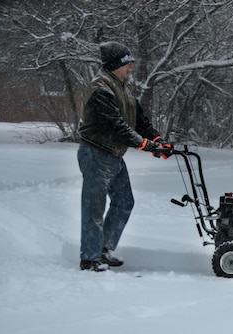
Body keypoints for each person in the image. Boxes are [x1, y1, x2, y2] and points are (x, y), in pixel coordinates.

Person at [77, 41, 171, 272]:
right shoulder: (101, 88)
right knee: (94, 207)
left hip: (114, 155)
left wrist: (157, 139)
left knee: (124, 201)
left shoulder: (122, 87)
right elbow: (116, 126)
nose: (131, 66)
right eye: (127, 62)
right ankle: (89, 258)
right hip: (96, 153)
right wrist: (146, 145)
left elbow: (138, 119)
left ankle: (103, 249)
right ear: (115, 64)